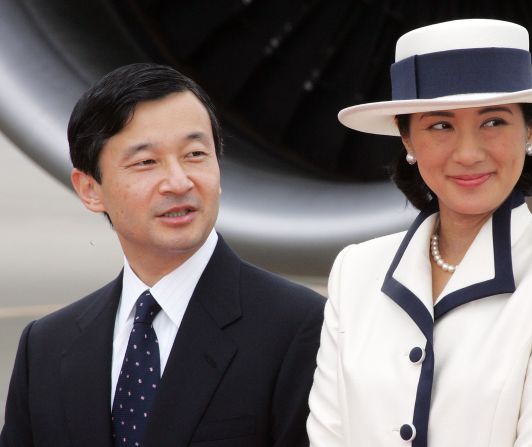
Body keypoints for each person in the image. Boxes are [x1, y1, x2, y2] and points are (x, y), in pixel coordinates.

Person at [307, 19, 532, 447]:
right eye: (440, 125)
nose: (468, 153)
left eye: (493, 122)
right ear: (407, 140)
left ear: (530, 129)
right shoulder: (355, 271)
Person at [1, 63, 325, 447]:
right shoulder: (46, 346)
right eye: (146, 162)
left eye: (195, 154)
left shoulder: (300, 327)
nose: (178, 182)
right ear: (90, 189)